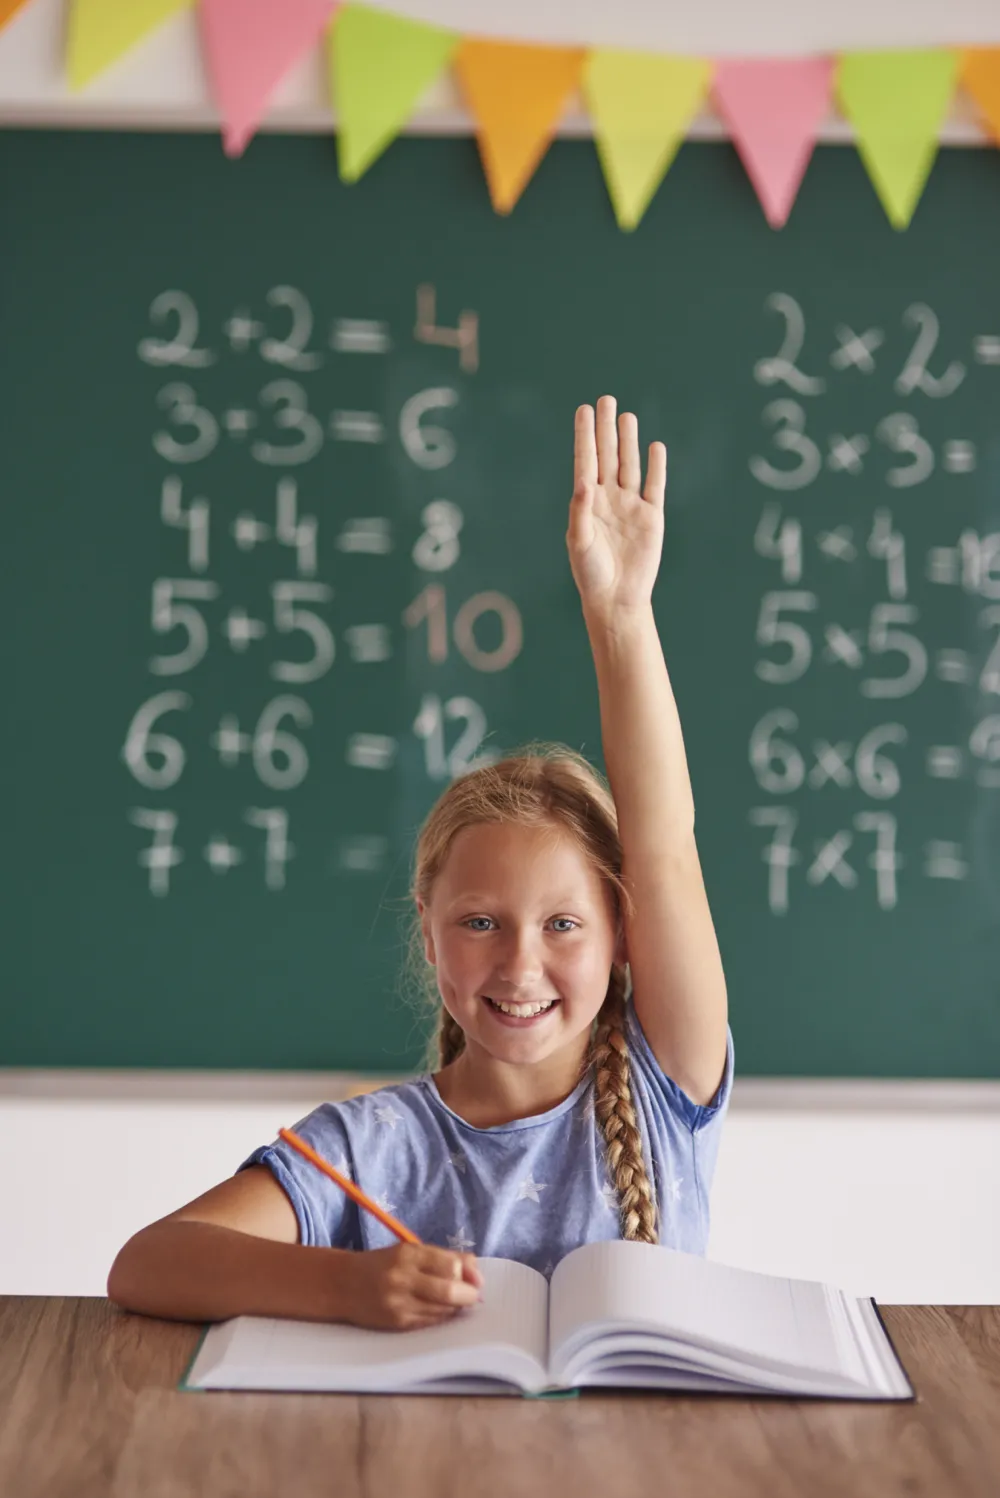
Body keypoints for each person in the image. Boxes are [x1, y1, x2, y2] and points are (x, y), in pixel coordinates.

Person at [107, 395, 734, 1331]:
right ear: (430, 939)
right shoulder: (367, 1147)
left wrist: (619, 615)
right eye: (480, 922)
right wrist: (348, 1286)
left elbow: (664, 842)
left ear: (624, 936)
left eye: (564, 924)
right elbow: (148, 1265)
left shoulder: (665, 1085)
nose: (520, 965)